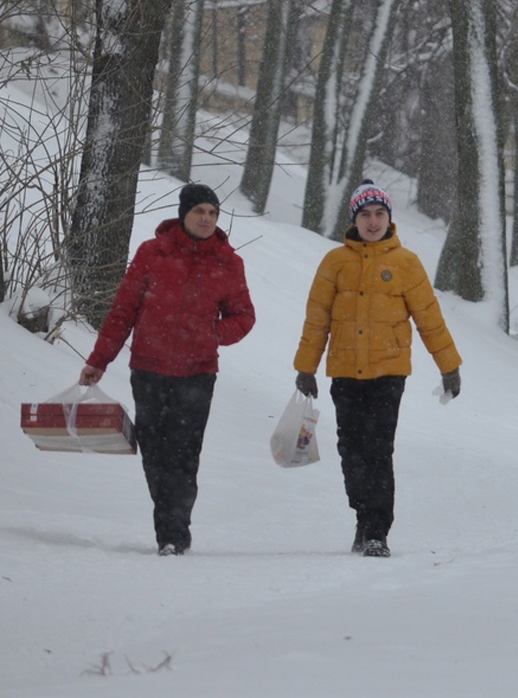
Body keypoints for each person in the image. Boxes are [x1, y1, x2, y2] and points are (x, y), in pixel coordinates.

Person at [79, 184, 256, 556]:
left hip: (198, 373)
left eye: (212, 212)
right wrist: (98, 360)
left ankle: (174, 533)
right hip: (149, 369)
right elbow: (123, 312)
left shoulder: (227, 262)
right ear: (183, 214)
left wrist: (213, 334)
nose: (206, 218)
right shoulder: (152, 253)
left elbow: (244, 317)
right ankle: (169, 524)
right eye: (199, 212)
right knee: (156, 453)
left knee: (185, 454)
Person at [293, 179, 462, 558]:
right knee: (351, 451)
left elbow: (429, 319)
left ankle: (376, 533)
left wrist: (448, 366)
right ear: (355, 219)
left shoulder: (406, 264)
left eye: (380, 214)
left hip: (388, 374)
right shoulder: (334, 263)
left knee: (378, 451)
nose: (373, 222)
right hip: (345, 374)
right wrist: (307, 367)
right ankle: (362, 515)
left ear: (390, 218)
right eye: (366, 215)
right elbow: (317, 319)